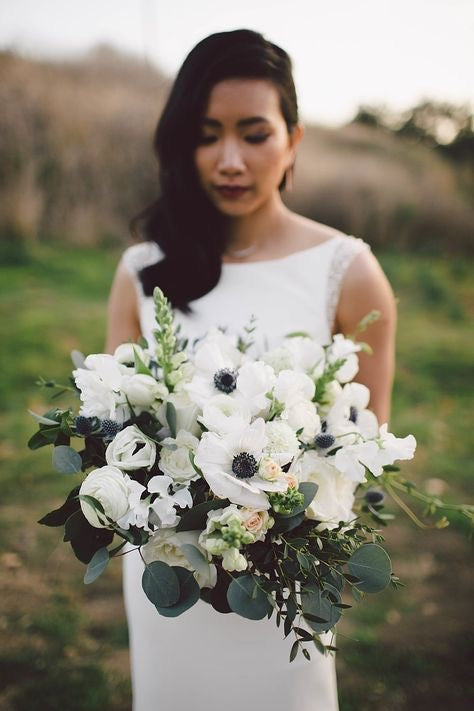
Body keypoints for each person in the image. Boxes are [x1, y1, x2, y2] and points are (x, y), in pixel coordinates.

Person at [105, 29, 396, 711]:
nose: (229, 160)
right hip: (168, 573)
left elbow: (364, 449)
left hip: (279, 588)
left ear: (294, 139)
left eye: (254, 133)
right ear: (183, 143)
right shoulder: (143, 272)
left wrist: (271, 520)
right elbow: (116, 431)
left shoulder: (348, 272)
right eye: (207, 134)